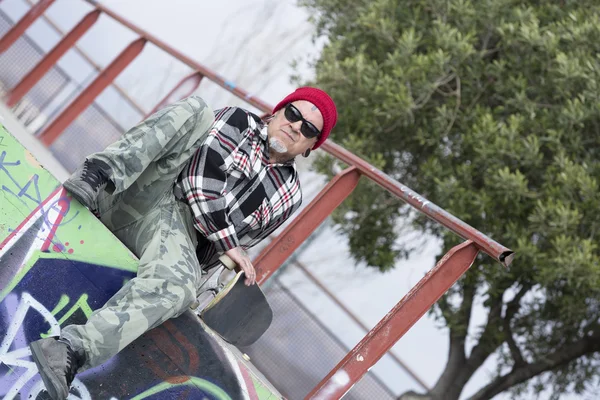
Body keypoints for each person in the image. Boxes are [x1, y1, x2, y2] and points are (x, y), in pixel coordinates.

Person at [28, 87, 337, 400]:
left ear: (311, 146)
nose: (296, 126)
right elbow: (198, 182)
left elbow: (226, 248)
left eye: (309, 128)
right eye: (294, 114)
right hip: (144, 194)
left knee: (180, 287)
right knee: (197, 109)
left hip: (173, 240)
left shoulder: (290, 194)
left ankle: (69, 351)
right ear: (278, 111)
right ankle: (98, 171)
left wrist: (199, 276)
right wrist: (228, 241)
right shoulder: (238, 121)